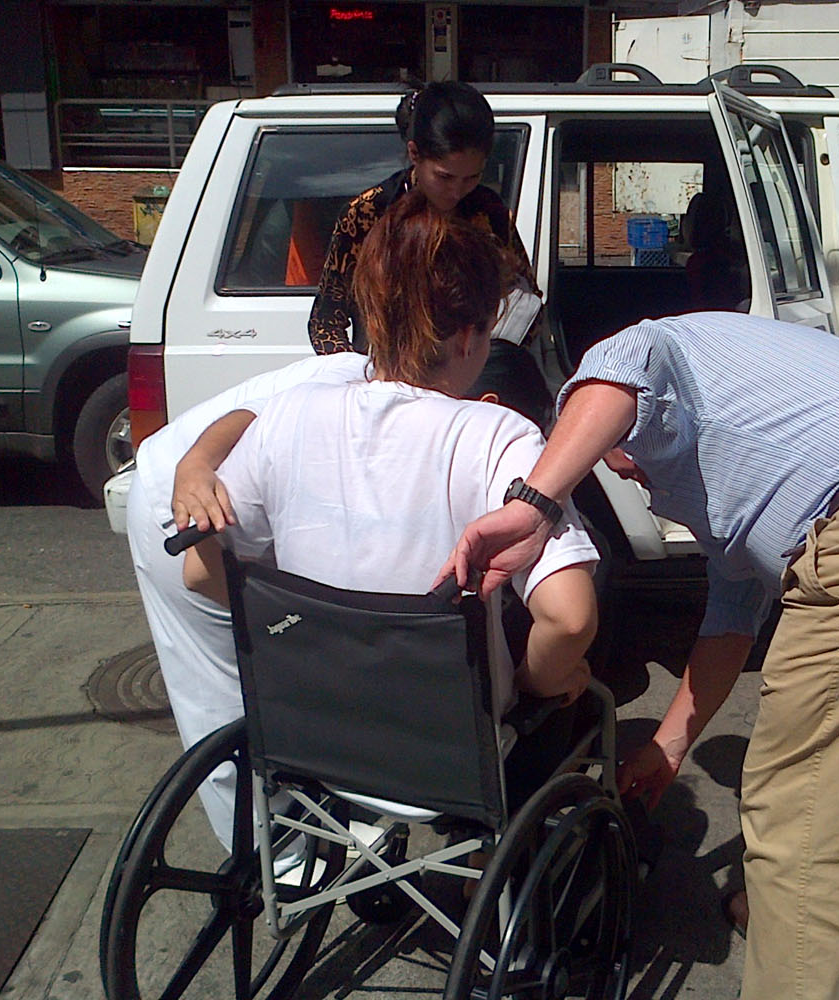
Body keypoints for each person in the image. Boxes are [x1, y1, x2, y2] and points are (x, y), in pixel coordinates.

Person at [440, 311, 839, 1000]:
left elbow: (624, 371)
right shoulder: (735, 445)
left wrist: (537, 501)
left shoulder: (631, 362)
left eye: (614, 456)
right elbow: (730, 624)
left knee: (802, 816)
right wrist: (669, 746)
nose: (623, 472)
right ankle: (774, 913)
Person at [184, 191, 600, 809]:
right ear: (466, 337)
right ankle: (486, 869)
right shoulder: (495, 434)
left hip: (311, 733)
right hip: (448, 750)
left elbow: (198, 570)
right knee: (580, 699)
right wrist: (543, 685)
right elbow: (569, 618)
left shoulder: (289, 415)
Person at [126, 351, 368, 850]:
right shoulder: (353, 380)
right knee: (223, 694)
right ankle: (275, 857)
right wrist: (193, 466)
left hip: (234, 507)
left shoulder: (379, 376)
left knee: (279, 672)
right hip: (185, 504)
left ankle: (301, 829)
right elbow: (246, 417)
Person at [307, 80, 539, 355]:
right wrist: (359, 379)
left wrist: (497, 359)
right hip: (386, 374)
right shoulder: (368, 214)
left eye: (471, 178)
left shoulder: (489, 211)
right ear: (414, 153)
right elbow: (325, 322)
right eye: (444, 177)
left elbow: (528, 296)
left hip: (470, 372)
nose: (456, 192)